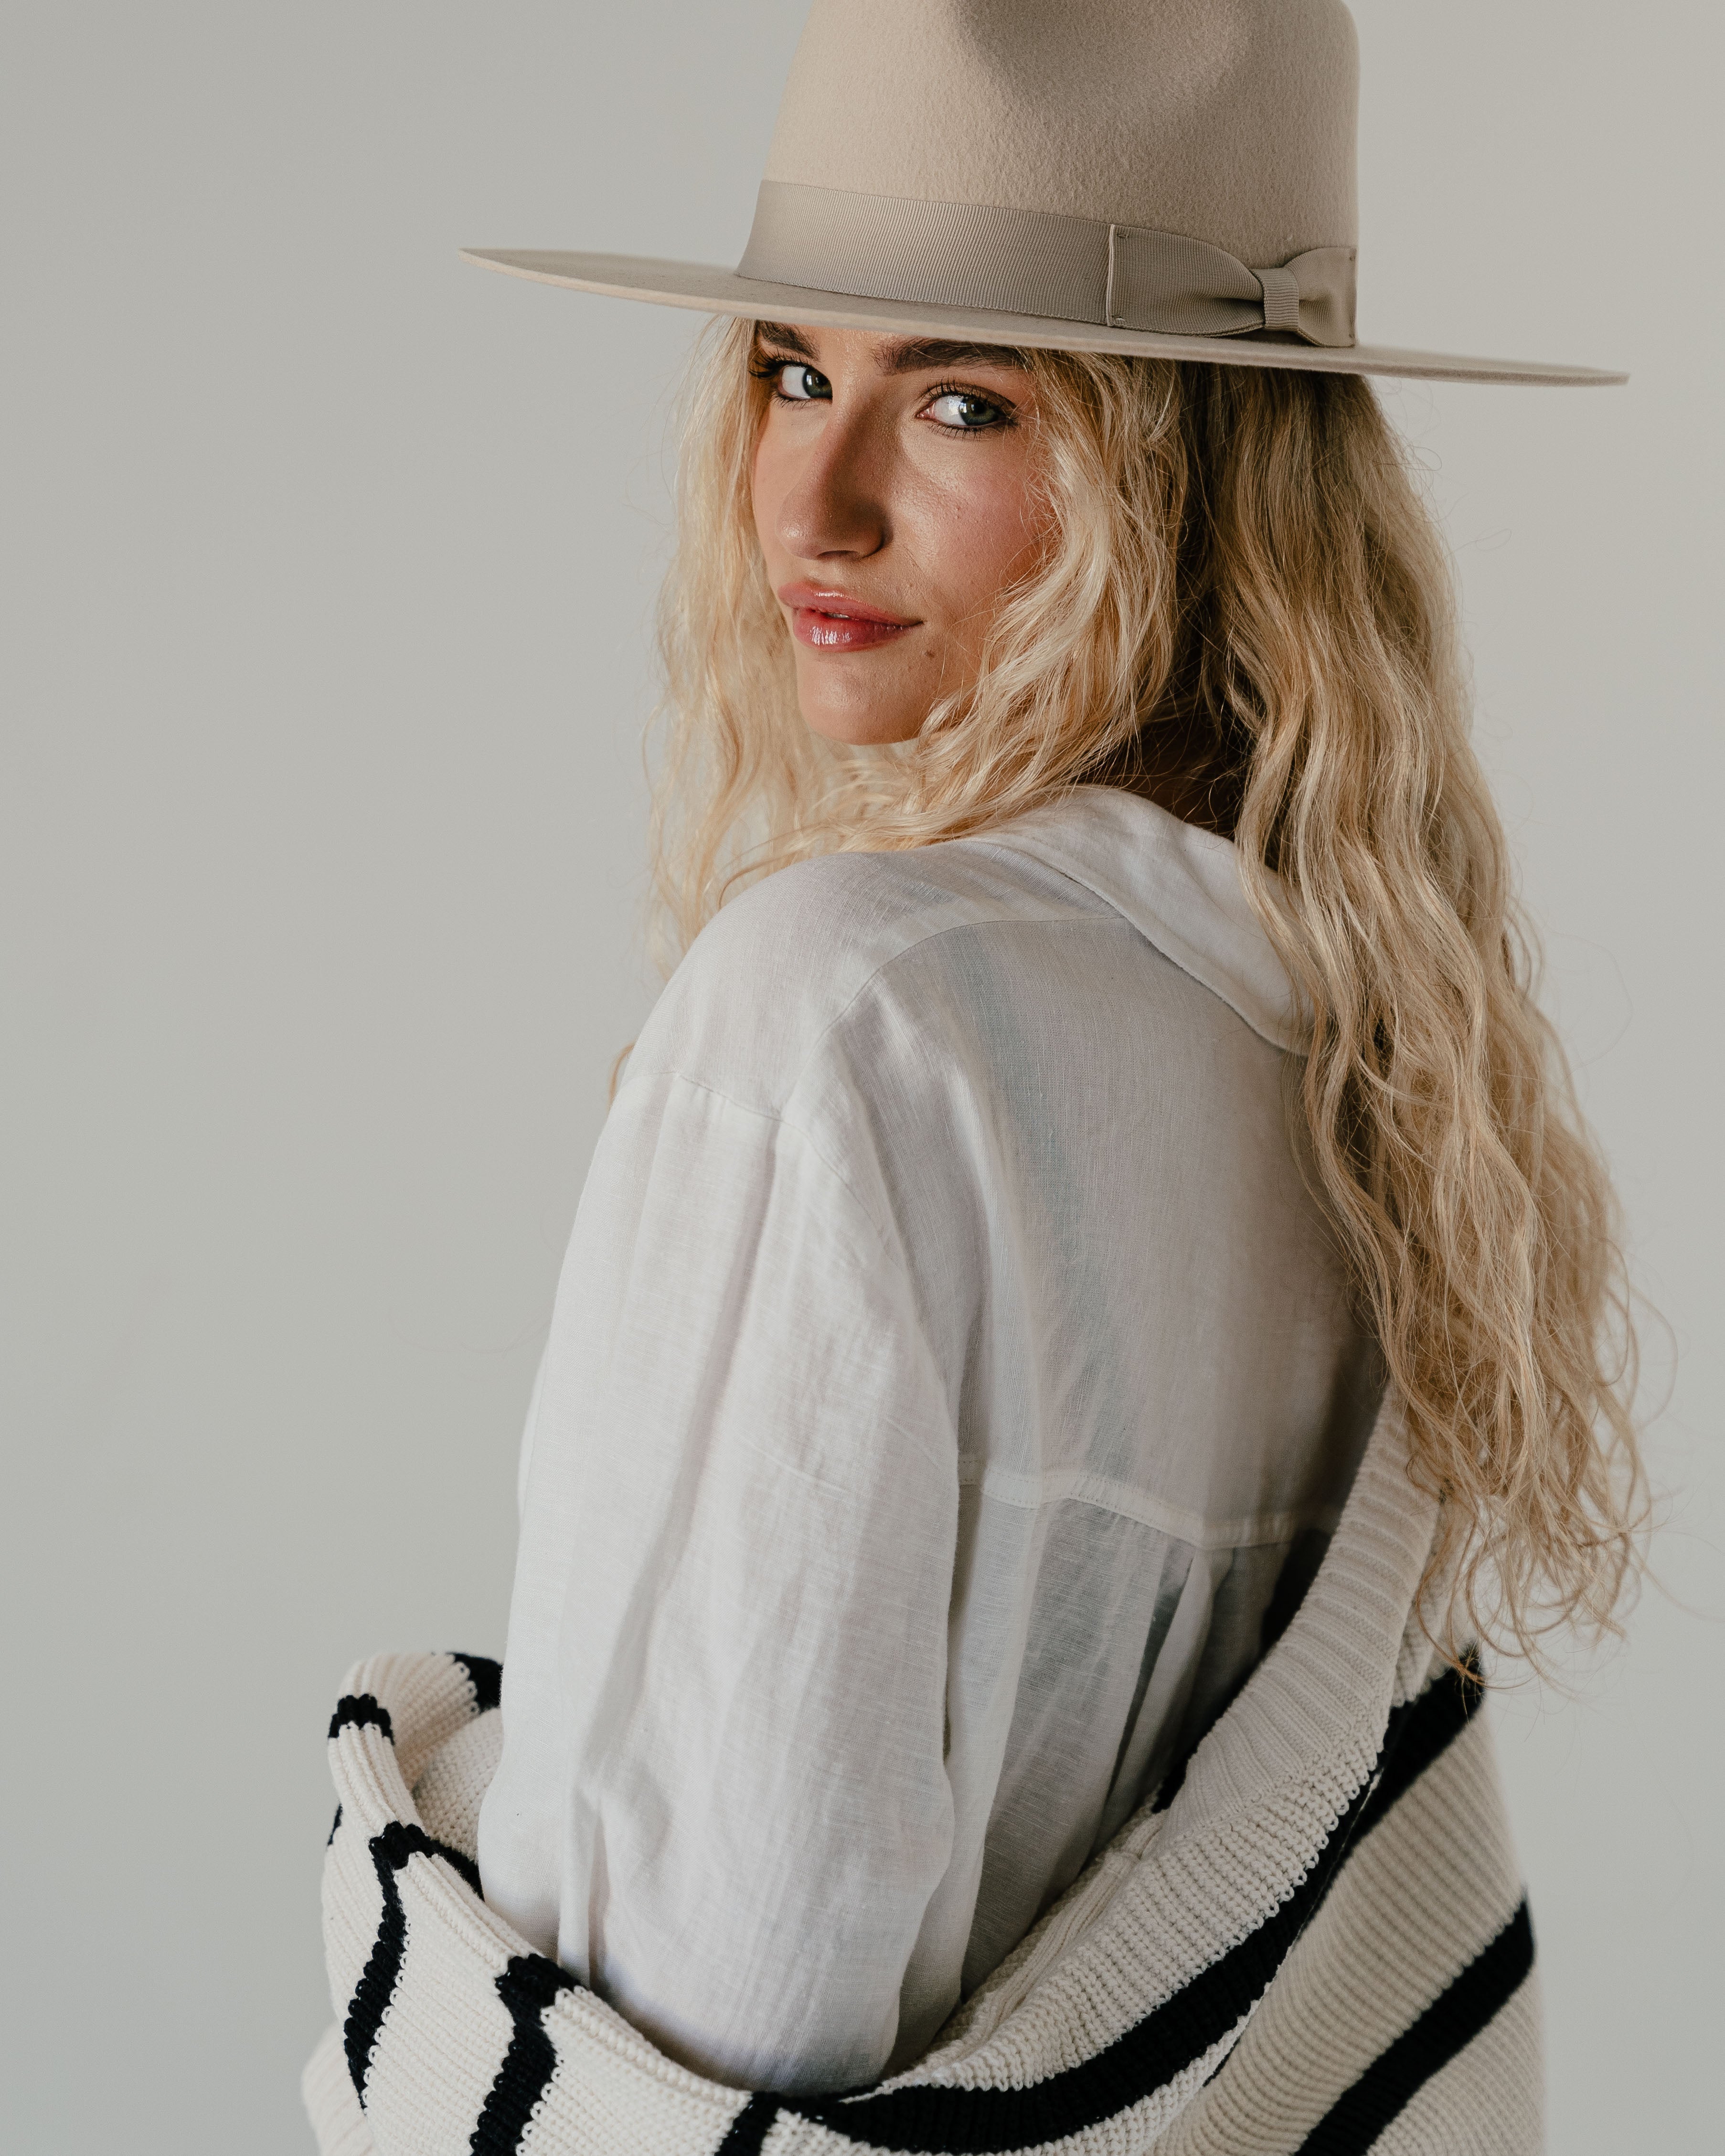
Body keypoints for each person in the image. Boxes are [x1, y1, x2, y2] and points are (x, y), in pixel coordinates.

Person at [459, 0, 1643, 2116]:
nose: (813, 502)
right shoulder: (1363, 1069)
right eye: (792, 371)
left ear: (1190, 472)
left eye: (962, 401)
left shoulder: (845, 1017)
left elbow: (666, 2040)